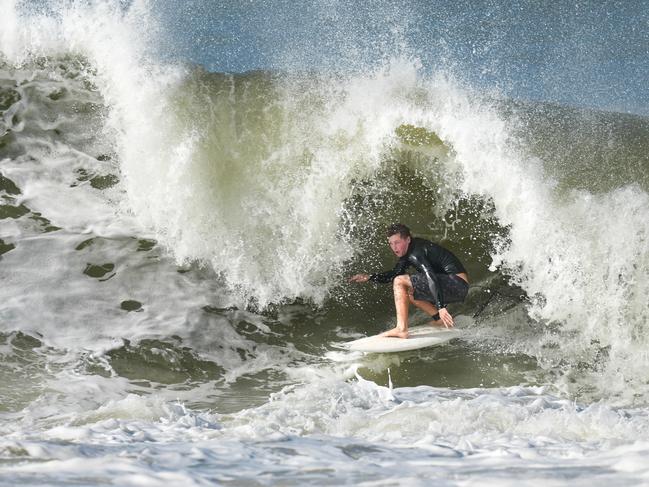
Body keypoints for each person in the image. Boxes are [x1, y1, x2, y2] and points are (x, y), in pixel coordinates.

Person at [349, 223, 469, 338]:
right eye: (390, 243)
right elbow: (394, 273)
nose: (394, 247)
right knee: (409, 290)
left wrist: (440, 306)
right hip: (454, 285)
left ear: (408, 239)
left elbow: (430, 276)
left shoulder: (415, 253)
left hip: (457, 284)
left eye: (397, 242)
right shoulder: (408, 252)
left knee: (399, 281)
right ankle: (439, 319)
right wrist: (370, 277)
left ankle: (401, 329)